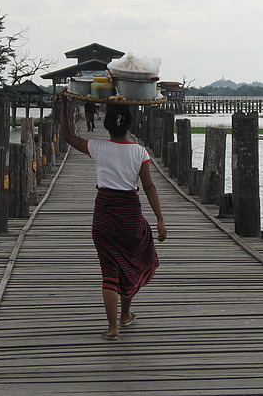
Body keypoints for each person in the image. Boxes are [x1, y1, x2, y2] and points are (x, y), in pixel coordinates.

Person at [60, 91, 167, 341]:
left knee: (109, 269)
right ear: (129, 125)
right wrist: (160, 219)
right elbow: (149, 187)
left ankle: (113, 327)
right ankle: (125, 315)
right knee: (131, 260)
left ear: (106, 126)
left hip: (104, 215)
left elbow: (67, 135)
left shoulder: (97, 147)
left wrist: (64, 104)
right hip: (130, 214)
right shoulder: (139, 152)